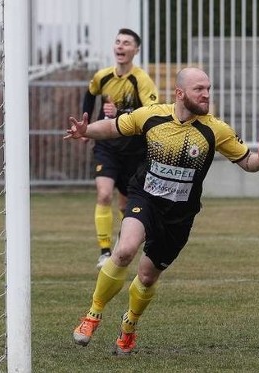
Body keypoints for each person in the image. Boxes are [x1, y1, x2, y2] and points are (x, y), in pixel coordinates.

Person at [65, 67, 259, 354]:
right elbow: (112, 128)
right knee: (124, 251)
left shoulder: (215, 129)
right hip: (144, 198)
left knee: (147, 277)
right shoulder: (152, 115)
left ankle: (129, 326)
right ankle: (93, 314)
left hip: (179, 215)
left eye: (208, 88)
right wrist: (87, 131)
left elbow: (247, 162)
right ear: (180, 93)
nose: (207, 94)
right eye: (200, 89)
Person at [82, 28, 159, 269]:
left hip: (134, 151)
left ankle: (120, 246)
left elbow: (153, 112)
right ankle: (104, 251)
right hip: (107, 146)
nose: (120, 46)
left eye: (126, 43)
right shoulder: (102, 76)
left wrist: (121, 113)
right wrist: (87, 126)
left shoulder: (141, 79)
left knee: (126, 205)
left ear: (135, 50)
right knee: (104, 194)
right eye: (117, 42)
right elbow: (90, 94)